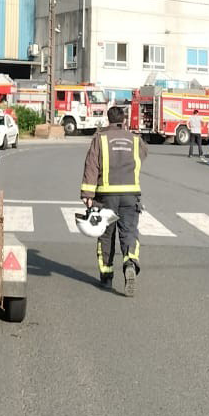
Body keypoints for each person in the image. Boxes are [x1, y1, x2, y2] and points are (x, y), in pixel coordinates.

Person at [80, 106, 148, 294]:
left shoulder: (100, 139)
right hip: (130, 194)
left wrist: (87, 195)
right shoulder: (135, 139)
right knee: (129, 232)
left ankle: (106, 277)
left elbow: (91, 165)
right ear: (124, 120)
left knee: (106, 235)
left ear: (108, 119)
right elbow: (143, 155)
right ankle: (130, 263)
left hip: (106, 196)